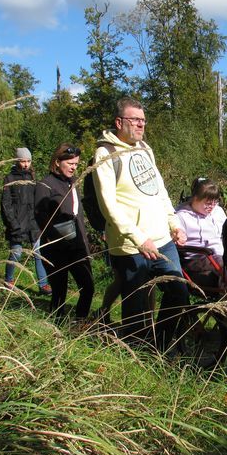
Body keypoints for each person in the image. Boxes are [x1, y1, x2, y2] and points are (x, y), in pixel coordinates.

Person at [93, 97, 188, 351]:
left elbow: (159, 190)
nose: (141, 125)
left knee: (178, 292)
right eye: (135, 120)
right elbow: (108, 204)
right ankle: (138, 354)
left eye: (143, 120)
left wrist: (174, 223)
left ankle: (163, 343)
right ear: (119, 122)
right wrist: (137, 237)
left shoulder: (145, 148)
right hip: (130, 245)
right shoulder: (105, 153)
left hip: (162, 240)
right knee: (136, 305)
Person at [35, 143, 93, 321]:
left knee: (88, 286)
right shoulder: (45, 185)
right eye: (70, 164)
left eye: (76, 164)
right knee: (59, 292)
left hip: (77, 246)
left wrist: (85, 243)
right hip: (56, 248)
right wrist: (55, 235)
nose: (74, 167)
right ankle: (56, 327)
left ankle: (80, 322)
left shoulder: (73, 183)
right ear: (58, 162)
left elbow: (78, 214)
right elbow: (40, 216)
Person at [0, 147, 51, 295]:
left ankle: (43, 285)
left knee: (38, 253)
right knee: (16, 253)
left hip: (33, 223)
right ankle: (8, 280)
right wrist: (13, 224)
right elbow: (6, 204)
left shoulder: (32, 178)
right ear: (17, 161)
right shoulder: (9, 179)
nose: (26, 164)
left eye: (28, 161)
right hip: (17, 223)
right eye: (23, 161)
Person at [175, 177, 227, 287]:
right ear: (195, 198)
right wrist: (178, 238)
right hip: (195, 259)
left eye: (215, 202)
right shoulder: (181, 216)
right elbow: (176, 241)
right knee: (224, 264)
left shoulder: (218, 211)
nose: (212, 207)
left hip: (220, 255)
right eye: (208, 203)